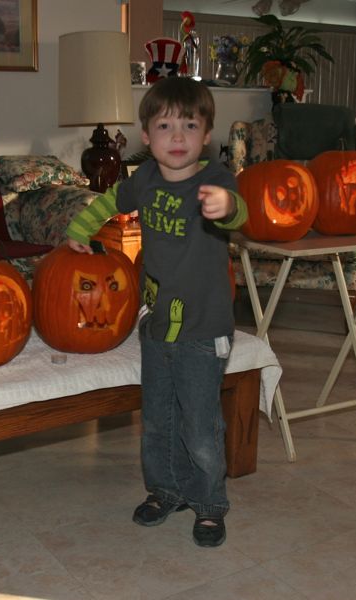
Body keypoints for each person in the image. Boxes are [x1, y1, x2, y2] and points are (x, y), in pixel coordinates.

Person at [66, 77, 247, 547]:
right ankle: (166, 490)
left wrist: (226, 205)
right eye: (165, 125)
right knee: (158, 418)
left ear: (207, 134)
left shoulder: (215, 180)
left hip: (204, 330)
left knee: (201, 425)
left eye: (190, 125)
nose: (178, 136)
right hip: (158, 322)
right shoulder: (143, 178)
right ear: (147, 135)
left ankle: (208, 504)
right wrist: (81, 227)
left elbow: (239, 214)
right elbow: (110, 200)